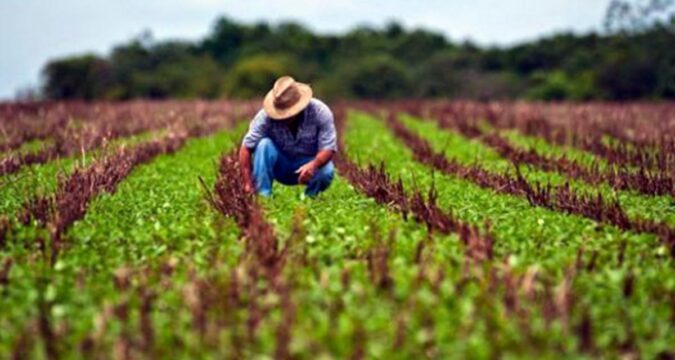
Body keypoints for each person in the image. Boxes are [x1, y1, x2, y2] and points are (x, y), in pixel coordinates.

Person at [239, 76, 337, 197]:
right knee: (264, 144)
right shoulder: (265, 117)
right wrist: (247, 183)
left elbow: (328, 148)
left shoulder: (320, 112)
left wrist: (313, 165)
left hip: (308, 163)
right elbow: (246, 148)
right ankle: (263, 196)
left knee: (326, 171)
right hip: (281, 165)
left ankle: (310, 198)